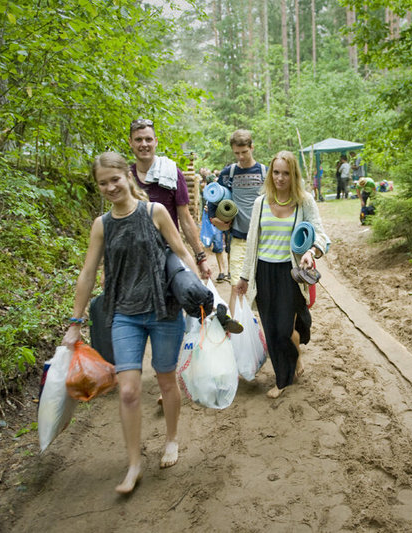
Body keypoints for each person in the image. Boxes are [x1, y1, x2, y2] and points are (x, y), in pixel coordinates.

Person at [62, 152, 199, 495]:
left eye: (115, 179)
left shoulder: (155, 212)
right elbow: (88, 273)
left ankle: (171, 439)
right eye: (103, 183)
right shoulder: (101, 225)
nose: (110, 187)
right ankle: (134, 463)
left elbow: (180, 252)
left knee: (167, 380)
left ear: (128, 176)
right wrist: (75, 322)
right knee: (128, 390)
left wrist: (199, 292)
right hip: (124, 313)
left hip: (163, 309)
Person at [235, 150, 329, 399]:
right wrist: (244, 277)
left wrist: (311, 251)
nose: (280, 178)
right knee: (271, 328)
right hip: (264, 272)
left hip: (290, 272)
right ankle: (286, 373)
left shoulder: (304, 201)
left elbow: (321, 235)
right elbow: (252, 242)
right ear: (270, 174)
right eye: (276, 172)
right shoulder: (261, 203)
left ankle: (283, 380)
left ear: (294, 174)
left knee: (284, 329)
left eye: (286, 173)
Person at [128, 118, 212, 280]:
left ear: (156, 142)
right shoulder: (126, 177)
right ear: (130, 142)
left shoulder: (172, 174)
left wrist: (200, 257)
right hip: (135, 256)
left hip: (168, 252)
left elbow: (185, 218)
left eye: (148, 139)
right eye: (138, 139)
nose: (144, 144)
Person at [208, 129, 266, 312]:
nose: (240, 157)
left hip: (264, 240)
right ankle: (237, 334)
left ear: (252, 147)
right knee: (236, 286)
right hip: (239, 240)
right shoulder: (228, 173)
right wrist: (217, 222)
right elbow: (212, 204)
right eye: (236, 153)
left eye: (244, 152)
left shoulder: (265, 172)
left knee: (263, 289)